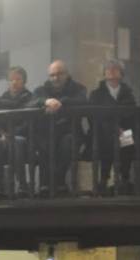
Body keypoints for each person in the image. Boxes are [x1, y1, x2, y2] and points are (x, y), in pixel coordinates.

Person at [28, 60, 88, 193]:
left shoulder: (79, 88)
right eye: (52, 75)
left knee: (68, 142)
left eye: (59, 74)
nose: (56, 78)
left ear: (67, 74)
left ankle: (59, 182)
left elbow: (82, 100)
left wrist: (60, 103)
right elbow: (31, 103)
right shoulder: (41, 90)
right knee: (43, 142)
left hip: (70, 132)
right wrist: (46, 101)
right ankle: (45, 185)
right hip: (47, 133)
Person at [87, 59, 137, 192]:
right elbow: (94, 117)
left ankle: (124, 179)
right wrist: (113, 128)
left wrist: (122, 129)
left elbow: (131, 115)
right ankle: (104, 180)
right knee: (107, 140)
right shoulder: (96, 94)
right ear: (104, 74)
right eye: (108, 69)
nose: (112, 71)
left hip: (124, 131)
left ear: (121, 73)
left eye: (115, 69)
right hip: (101, 132)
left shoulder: (128, 93)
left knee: (127, 140)